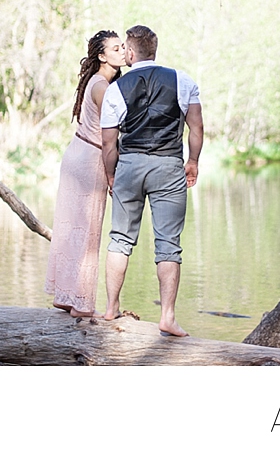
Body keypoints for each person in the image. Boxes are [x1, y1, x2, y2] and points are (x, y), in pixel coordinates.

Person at [100, 24, 204, 336]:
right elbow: (196, 129)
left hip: (129, 165)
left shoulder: (116, 89)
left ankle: (110, 308)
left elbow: (108, 143)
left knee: (120, 238)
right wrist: (193, 161)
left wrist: (110, 173)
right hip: (169, 166)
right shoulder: (183, 80)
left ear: (130, 53)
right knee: (169, 244)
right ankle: (168, 317)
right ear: (154, 50)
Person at [44, 30, 127, 317]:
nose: (122, 51)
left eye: (123, 47)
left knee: (72, 228)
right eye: (116, 48)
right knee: (88, 230)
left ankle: (66, 297)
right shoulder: (102, 87)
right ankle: (80, 303)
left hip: (76, 154)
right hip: (91, 159)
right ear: (102, 55)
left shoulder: (100, 81)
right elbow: (112, 134)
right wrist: (113, 173)